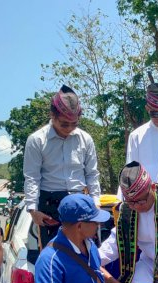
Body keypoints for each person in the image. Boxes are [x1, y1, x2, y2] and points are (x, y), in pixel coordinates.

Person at [23, 85, 101, 248]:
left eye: (74, 124)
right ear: (52, 115)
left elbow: (92, 174)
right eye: (64, 124)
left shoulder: (85, 139)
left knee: (85, 251)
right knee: (53, 253)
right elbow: (32, 177)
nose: (69, 128)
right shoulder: (37, 140)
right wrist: (32, 210)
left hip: (79, 200)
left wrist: (95, 202)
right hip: (49, 204)